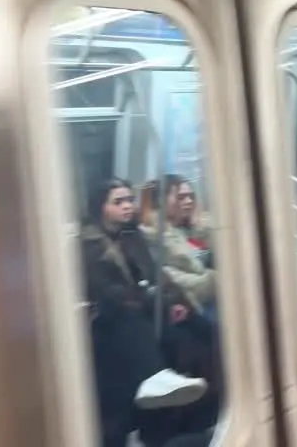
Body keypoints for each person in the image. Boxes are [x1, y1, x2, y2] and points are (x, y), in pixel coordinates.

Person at [79, 178, 207, 447]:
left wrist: (176, 303)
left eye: (129, 200)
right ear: (101, 208)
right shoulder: (88, 245)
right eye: (118, 202)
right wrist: (149, 299)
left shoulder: (132, 237)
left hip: (143, 310)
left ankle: (204, 413)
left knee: (197, 330)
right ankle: (155, 377)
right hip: (108, 322)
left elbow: (156, 276)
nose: (127, 206)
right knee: (132, 320)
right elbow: (106, 292)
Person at [139, 175, 216, 314]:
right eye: (181, 197)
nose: (189, 201)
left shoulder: (189, 229)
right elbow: (174, 279)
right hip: (190, 306)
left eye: (191, 196)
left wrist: (200, 227)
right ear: (161, 202)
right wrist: (216, 280)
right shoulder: (154, 236)